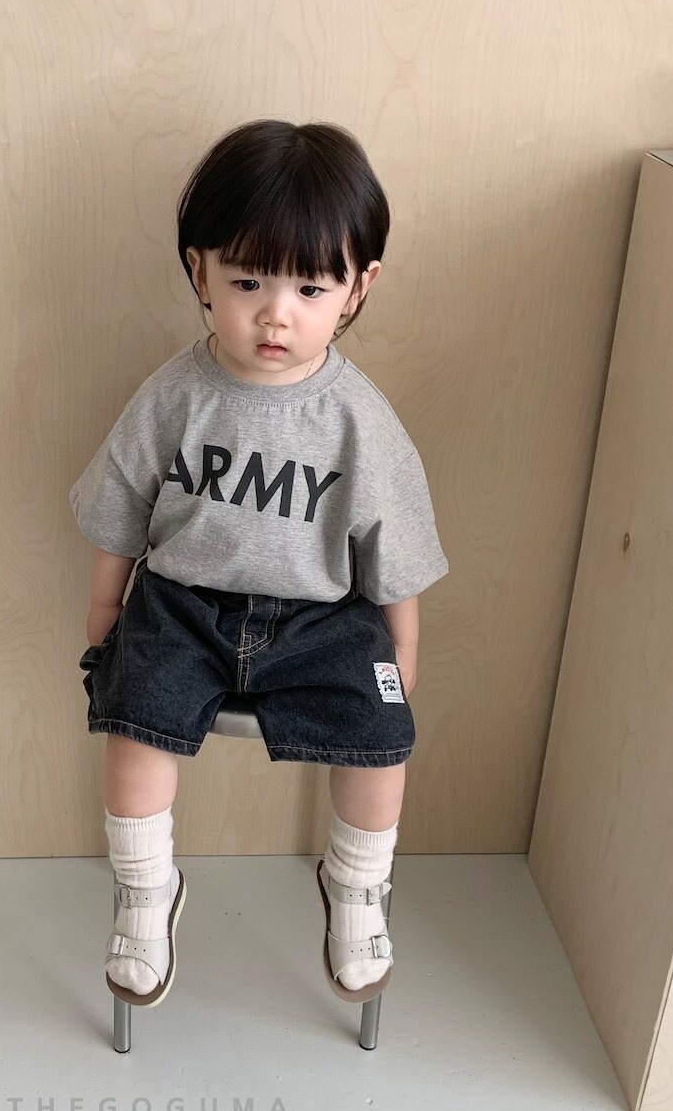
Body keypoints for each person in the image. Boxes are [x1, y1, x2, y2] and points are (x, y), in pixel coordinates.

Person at [69, 119, 449, 1010]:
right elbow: (120, 510)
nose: (276, 313)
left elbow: (393, 551)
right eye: (247, 282)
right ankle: (146, 888)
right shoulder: (173, 395)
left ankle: (356, 884)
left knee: (383, 741)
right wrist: (104, 618)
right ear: (199, 271)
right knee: (132, 720)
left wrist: (402, 658)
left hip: (322, 618)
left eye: (310, 287)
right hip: (183, 606)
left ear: (357, 288)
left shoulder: (359, 418)